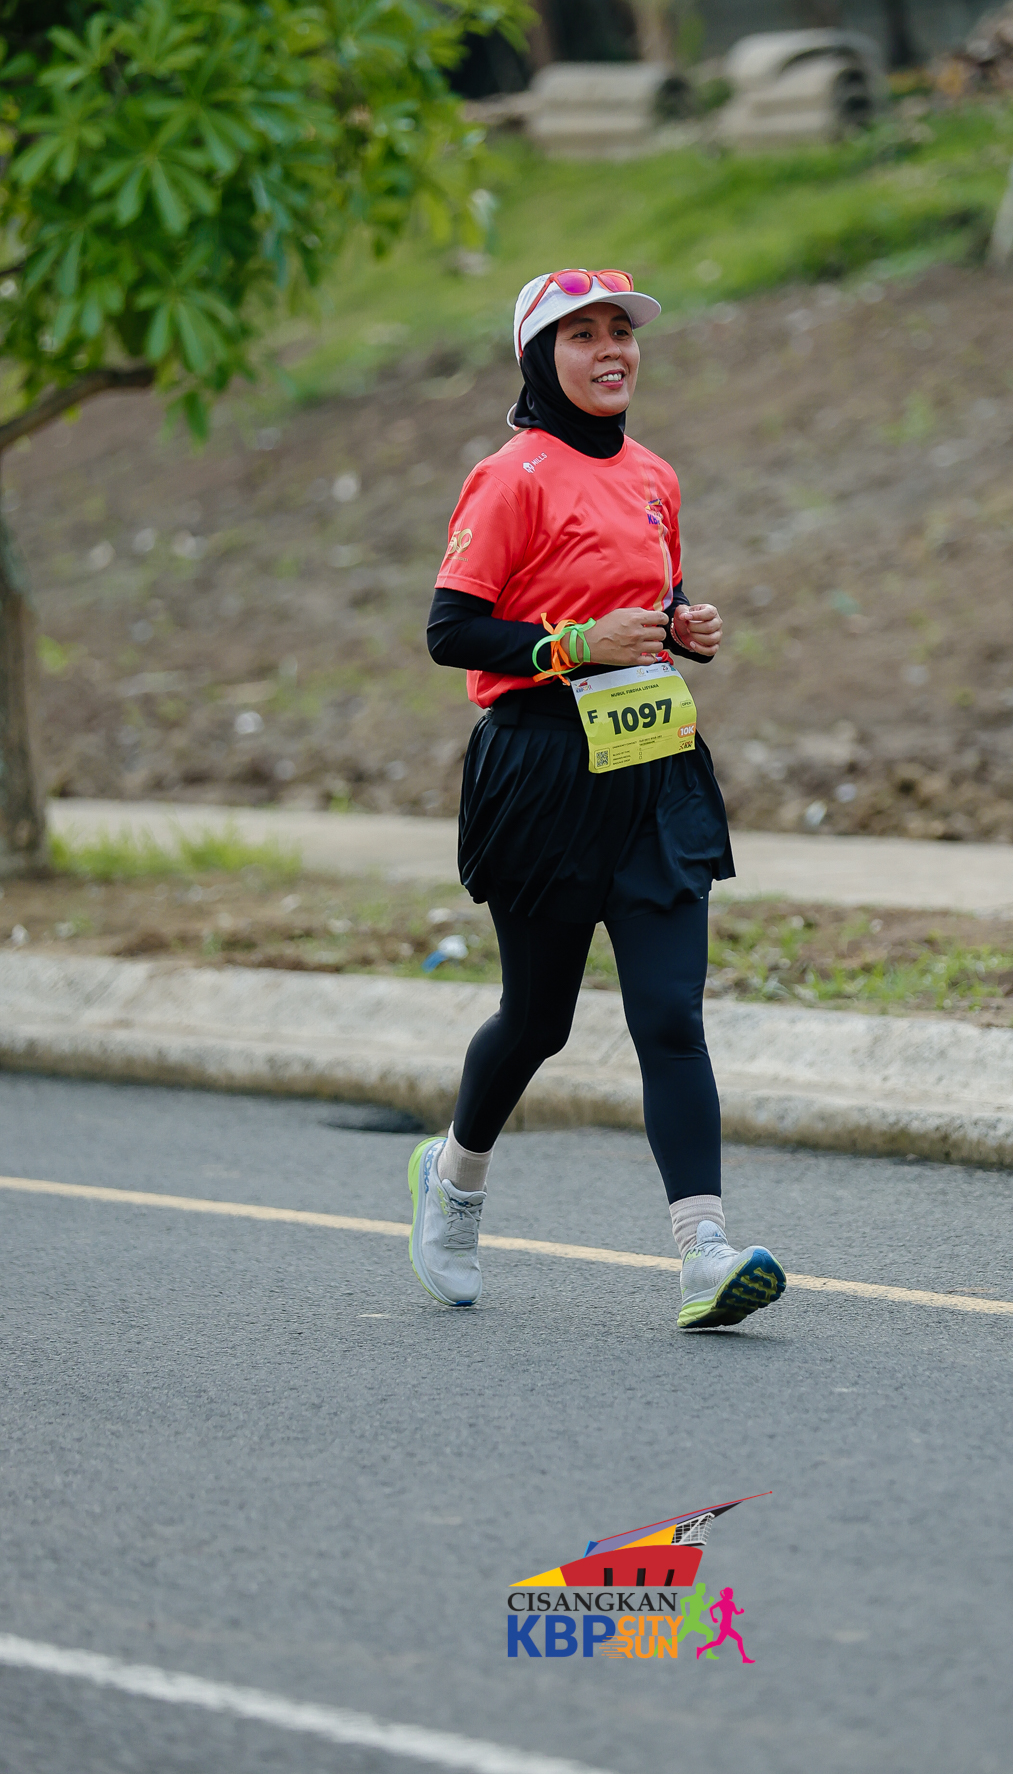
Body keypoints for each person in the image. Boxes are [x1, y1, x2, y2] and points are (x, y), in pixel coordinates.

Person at [410, 267, 786, 1331]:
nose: (611, 350)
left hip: (654, 761)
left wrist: (684, 625)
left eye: (621, 331)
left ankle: (703, 1253)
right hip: (540, 770)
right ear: (540, 357)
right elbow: (451, 631)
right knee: (539, 1021)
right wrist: (569, 645)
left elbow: (646, 600)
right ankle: (452, 1181)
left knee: (669, 1013)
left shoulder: (656, 476)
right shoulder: (510, 477)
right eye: (583, 335)